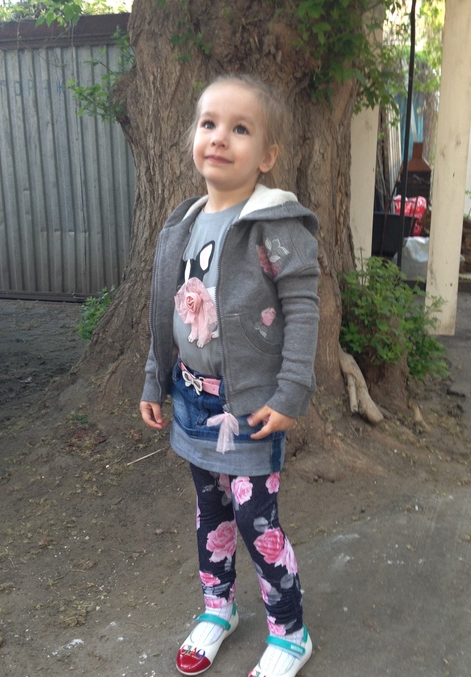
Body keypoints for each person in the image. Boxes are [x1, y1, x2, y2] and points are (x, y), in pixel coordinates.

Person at [140, 73, 320, 677]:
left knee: (255, 518)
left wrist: (291, 392)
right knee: (210, 510)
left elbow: (303, 310)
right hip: (193, 401)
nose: (219, 137)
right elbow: (167, 312)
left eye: (240, 128)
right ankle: (219, 608)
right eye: (209, 123)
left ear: (267, 155)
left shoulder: (275, 224)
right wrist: (154, 379)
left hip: (252, 408)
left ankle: (290, 632)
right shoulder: (182, 225)